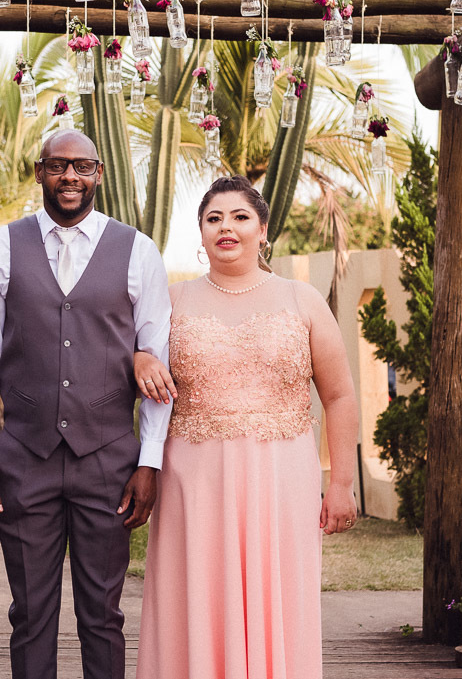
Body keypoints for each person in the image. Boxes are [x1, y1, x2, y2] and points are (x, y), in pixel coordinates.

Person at [0, 130, 173, 679]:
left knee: (103, 614)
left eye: (81, 167)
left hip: (109, 460)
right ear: (38, 172)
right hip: (24, 458)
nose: (69, 177)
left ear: (99, 173)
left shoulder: (137, 250)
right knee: (30, 613)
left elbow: (157, 364)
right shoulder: (2, 248)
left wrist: (150, 462)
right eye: (57, 166)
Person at [134, 175, 360, 679]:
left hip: (281, 477)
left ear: (263, 229)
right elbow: (130, 353)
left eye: (239, 217)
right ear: (200, 233)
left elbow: (340, 395)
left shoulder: (301, 300)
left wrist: (341, 483)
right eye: (214, 218)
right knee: (196, 591)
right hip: (193, 478)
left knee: (276, 591)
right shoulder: (169, 301)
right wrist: (138, 360)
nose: (226, 227)